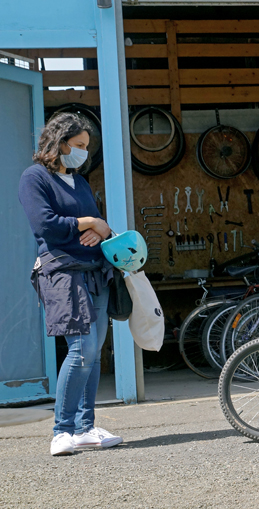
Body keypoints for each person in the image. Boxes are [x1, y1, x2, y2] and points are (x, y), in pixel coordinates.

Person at [18, 113, 122, 456]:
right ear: (60, 143)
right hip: (63, 273)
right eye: (78, 146)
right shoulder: (34, 178)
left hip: (96, 272)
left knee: (94, 354)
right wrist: (89, 221)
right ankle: (61, 431)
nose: (83, 153)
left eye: (85, 148)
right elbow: (45, 225)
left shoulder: (80, 182)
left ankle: (85, 428)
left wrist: (100, 227)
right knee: (82, 350)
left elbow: (94, 227)